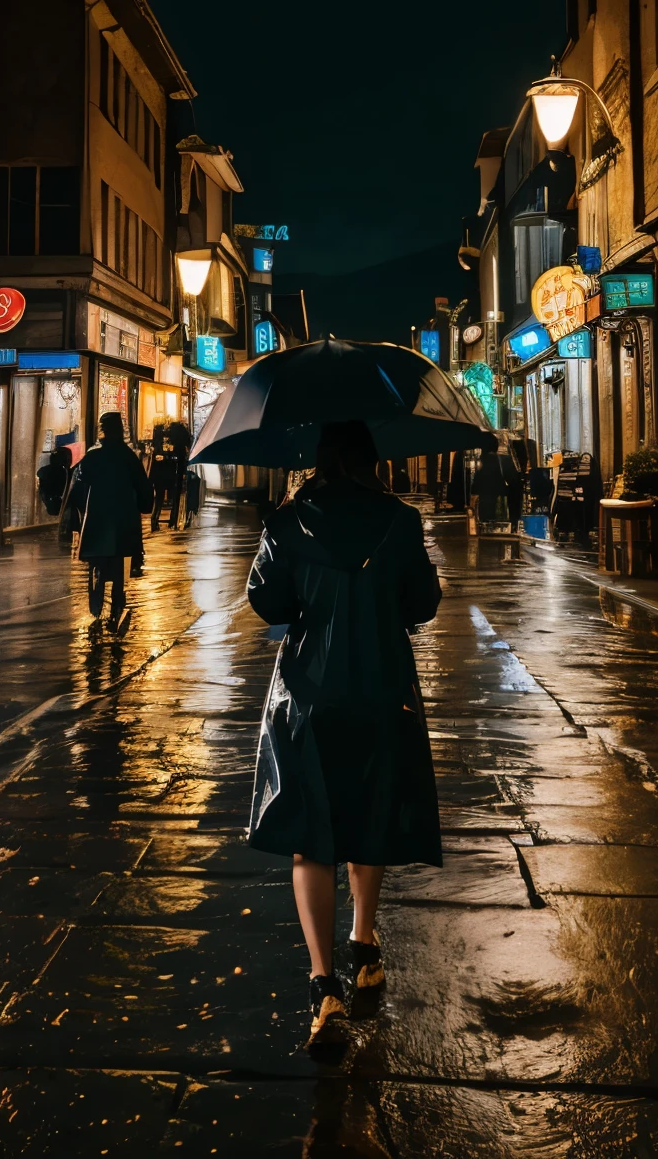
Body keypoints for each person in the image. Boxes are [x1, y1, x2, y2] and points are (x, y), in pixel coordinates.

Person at [246, 419, 442, 1051]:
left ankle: (323, 983)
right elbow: (423, 603)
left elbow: (268, 603)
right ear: (372, 461)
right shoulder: (399, 521)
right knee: (371, 812)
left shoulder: (287, 522)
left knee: (313, 836)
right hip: (383, 689)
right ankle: (364, 941)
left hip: (308, 694)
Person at [66, 410, 151, 633]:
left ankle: (97, 599)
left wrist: (76, 513)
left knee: (98, 559)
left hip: (98, 515)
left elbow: (79, 487)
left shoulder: (93, 457)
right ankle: (116, 604)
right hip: (123, 515)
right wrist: (144, 507)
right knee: (119, 559)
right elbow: (142, 485)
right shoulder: (128, 457)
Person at [469, 434, 507, 532]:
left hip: (484, 491)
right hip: (492, 491)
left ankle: (486, 530)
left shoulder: (485, 458)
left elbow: (480, 475)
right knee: (491, 512)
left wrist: (474, 488)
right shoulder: (494, 458)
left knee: (485, 513)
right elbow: (498, 475)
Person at [148, 428, 179, 532]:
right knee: (161, 499)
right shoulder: (167, 446)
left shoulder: (157, 447)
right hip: (166, 475)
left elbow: (154, 463)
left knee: (159, 500)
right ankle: (164, 521)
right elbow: (175, 458)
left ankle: (156, 520)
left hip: (161, 476)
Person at [167, 421, 191, 529]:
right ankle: (178, 519)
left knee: (175, 494)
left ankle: (173, 519)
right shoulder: (183, 446)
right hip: (182, 467)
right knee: (181, 493)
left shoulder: (173, 444)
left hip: (173, 470)